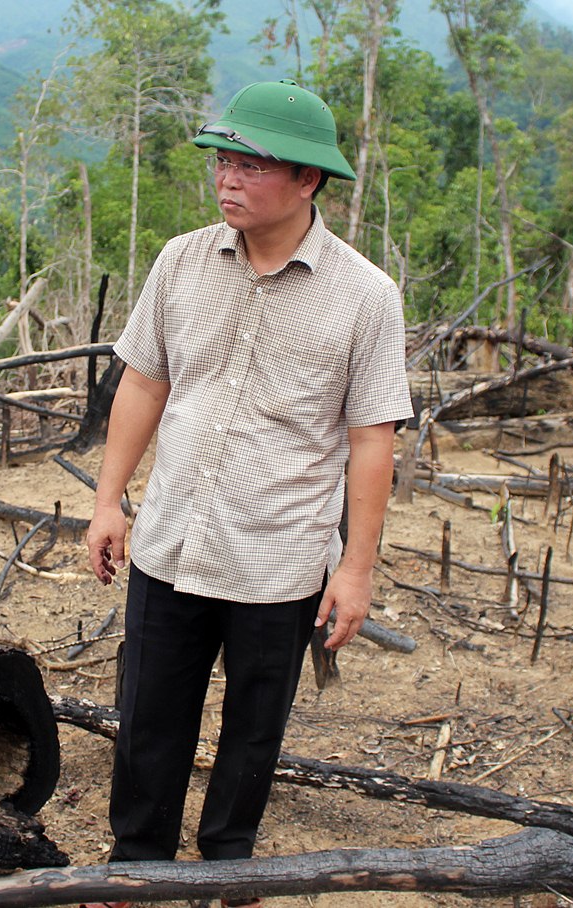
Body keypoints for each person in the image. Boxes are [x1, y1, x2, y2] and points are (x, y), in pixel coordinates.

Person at [83, 80, 412, 906]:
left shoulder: (365, 296)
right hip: (170, 541)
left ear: (308, 181)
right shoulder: (181, 261)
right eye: (223, 160)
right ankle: (139, 863)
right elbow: (144, 384)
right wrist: (108, 498)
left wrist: (358, 568)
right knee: (150, 716)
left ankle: (230, 862)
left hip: (280, 554)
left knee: (253, 731)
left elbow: (374, 440)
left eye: (251, 165)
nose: (227, 179)